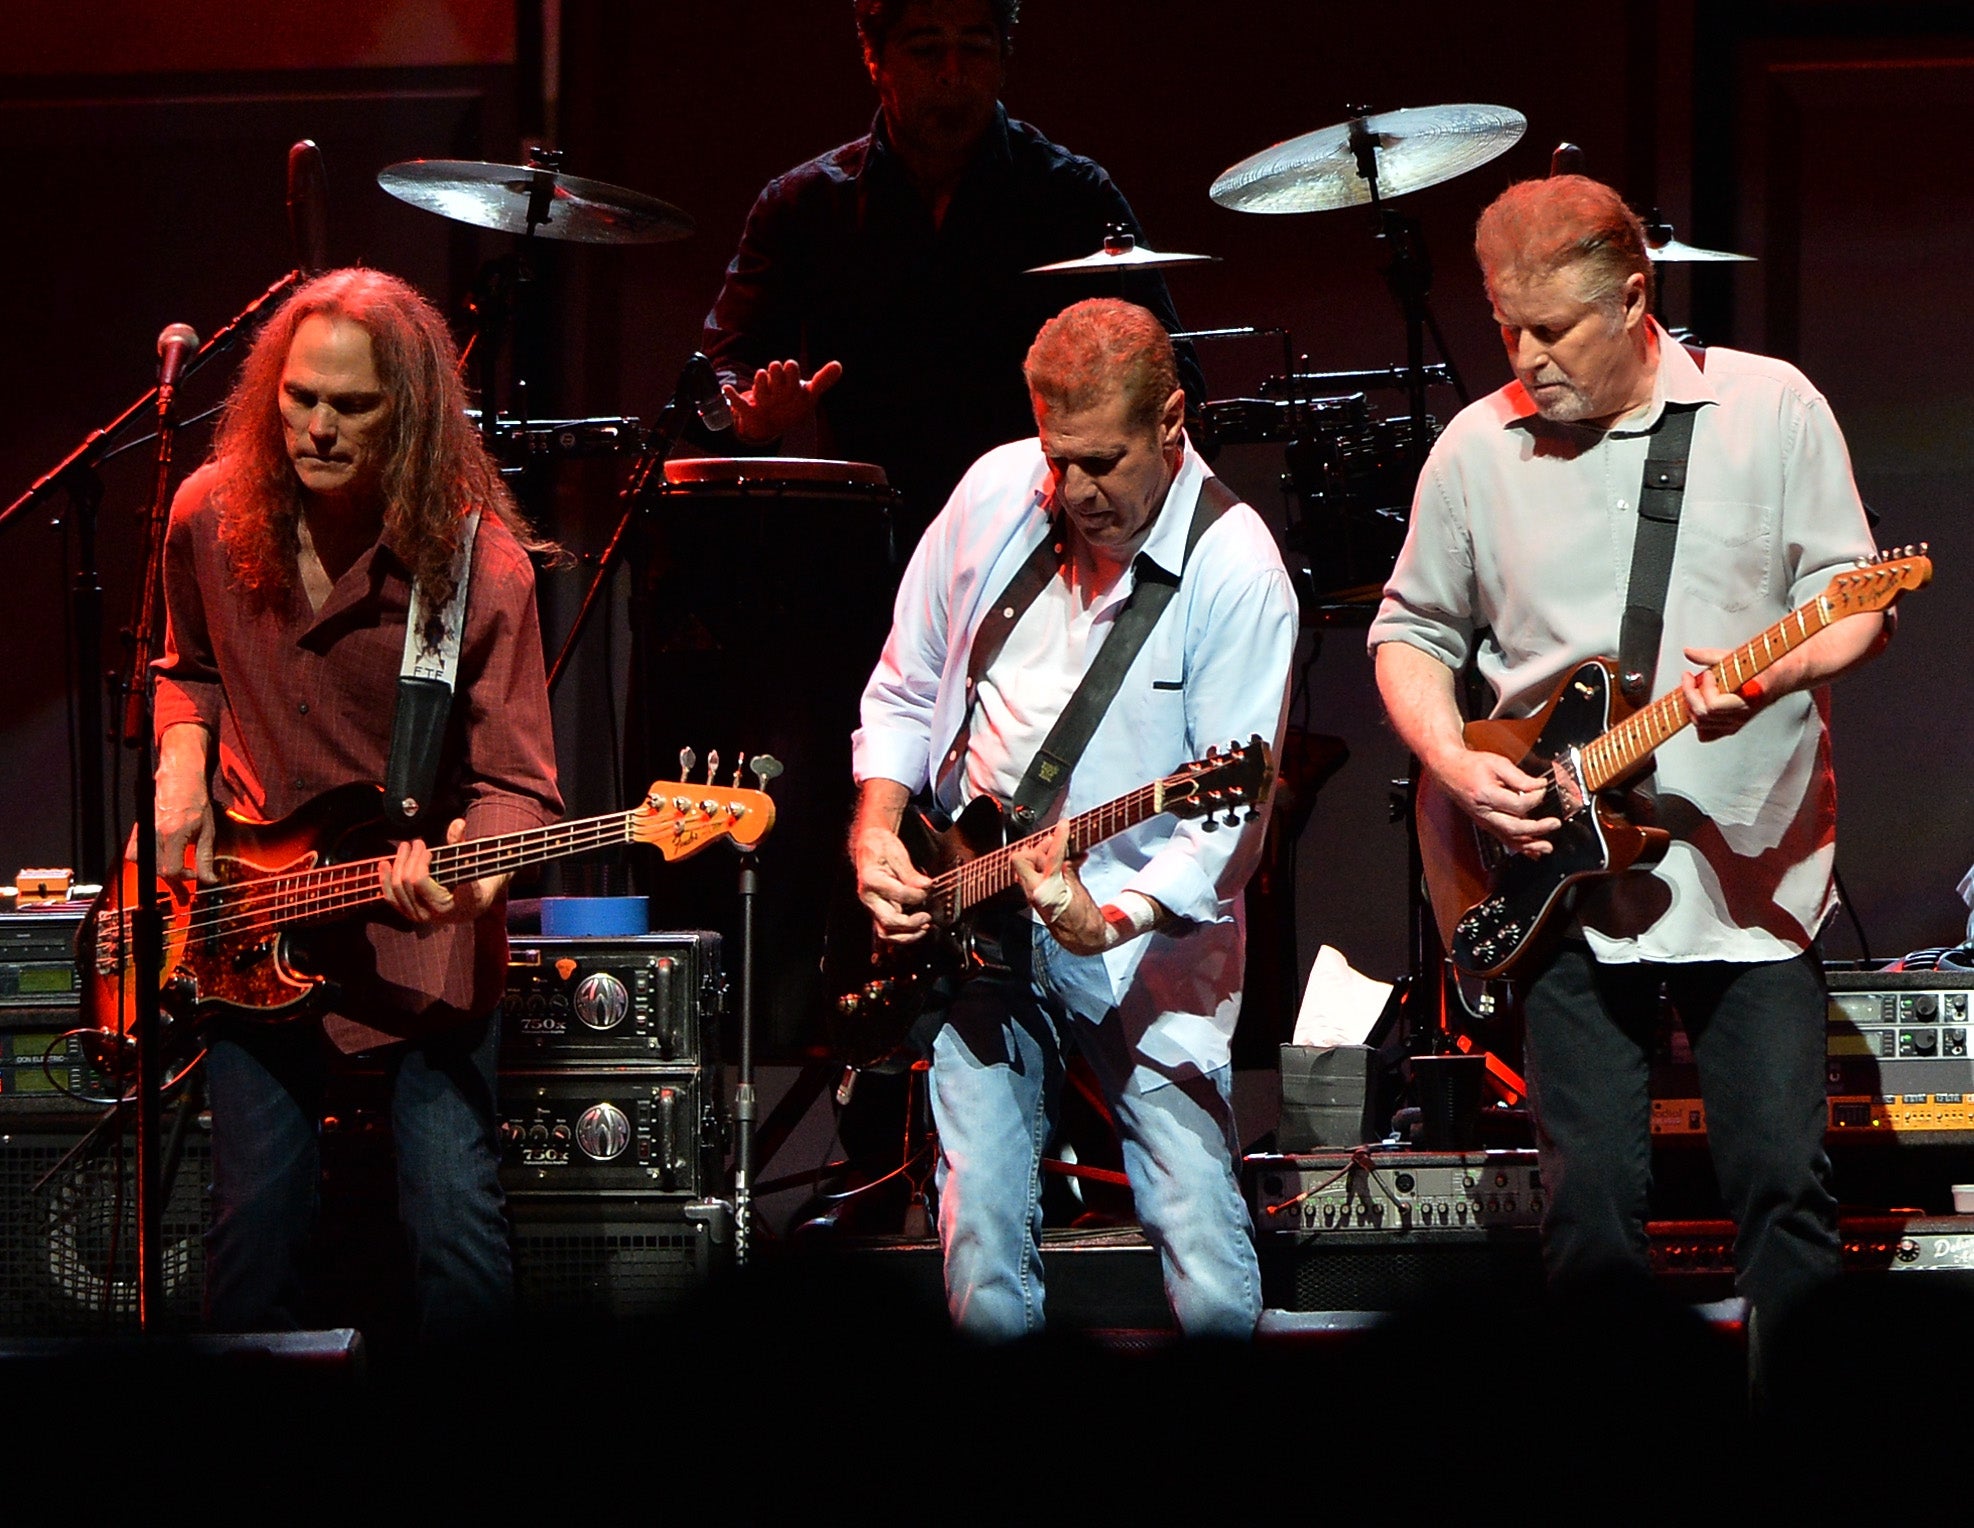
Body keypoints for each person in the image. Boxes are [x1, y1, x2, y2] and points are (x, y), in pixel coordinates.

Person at [1369, 175, 1890, 1322]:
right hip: (1553, 882)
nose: (1524, 353)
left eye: (1550, 328)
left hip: (1743, 877)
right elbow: (1408, 631)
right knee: (1589, 1212)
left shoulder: (1774, 409)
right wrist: (1456, 763)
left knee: (1780, 1197)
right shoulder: (1474, 447)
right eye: (1505, 324)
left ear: (1633, 298)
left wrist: (1777, 673)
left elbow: (1857, 599)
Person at [850, 298, 1297, 1338]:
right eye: (1060, 457)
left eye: (1103, 460)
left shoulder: (1238, 573)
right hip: (976, 920)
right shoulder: (993, 493)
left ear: (1173, 424)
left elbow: (1223, 832)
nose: (1075, 490)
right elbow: (906, 689)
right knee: (978, 1242)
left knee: (1201, 1240)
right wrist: (878, 830)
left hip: (1146, 944)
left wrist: (1108, 916)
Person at [151, 267, 562, 1342]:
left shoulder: (481, 568)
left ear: (411, 416)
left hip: (413, 952)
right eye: (300, 398)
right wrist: (183, 761)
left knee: (455, 1239)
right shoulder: (205, 514)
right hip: (251, 930)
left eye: (354, 405)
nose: (320, 427)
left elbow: (519, 787)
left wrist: (471, 881)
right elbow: (186, 666)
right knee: (252, 1241)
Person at [700, 0, 1201, 541]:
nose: (953, 72)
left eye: (976, 48)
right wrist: (748, 418)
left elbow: (1176, 376)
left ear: (1004, 58)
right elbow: (719, 376)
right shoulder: (803, 206)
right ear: (874, 56)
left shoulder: (1072, 196)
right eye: (926, 49)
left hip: (1042, 540)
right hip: (866, 548)